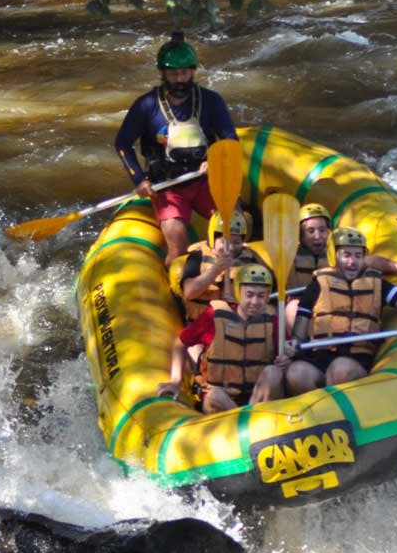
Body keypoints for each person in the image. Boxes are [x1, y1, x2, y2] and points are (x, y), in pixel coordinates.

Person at [115, 30, 238, 266]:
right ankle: (177, 291)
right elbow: (122, 144)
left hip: (205, 181)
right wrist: (139, 180)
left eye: (184, 73)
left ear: (192, 71)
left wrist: (216, 160)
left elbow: (230, 139)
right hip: (167, 187)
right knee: (179, 246)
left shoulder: (211, 101)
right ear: (163, 74)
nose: (180, 79)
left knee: (236, 228)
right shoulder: (146, 105)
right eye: (173, 74)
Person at [285, 227, 397, 394]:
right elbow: (298, 335)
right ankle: (316, 413)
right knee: (296, 373)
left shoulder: (377, 284)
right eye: (346, 255)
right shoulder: (317, 286)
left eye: (358, 256)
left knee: (340, 368)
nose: (352, 262)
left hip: (356, 361)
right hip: (320, 360)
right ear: (335, 256)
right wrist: (292, 346)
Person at [157, 264, 288, 413]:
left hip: (256, 399)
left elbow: (284, 357)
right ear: (238, 292)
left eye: (261, 295)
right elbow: (180, 343)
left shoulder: (273, 320)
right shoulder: (214, 316)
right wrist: (176, 381)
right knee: (215, 395)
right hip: (220, 401)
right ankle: (247, 419)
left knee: (273, 372)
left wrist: (285, 360)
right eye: (249, 295)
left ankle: (250, 418)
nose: (255, 302)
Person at [284, 203, 397, 329]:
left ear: (329, 231)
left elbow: (370, 261)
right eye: (310, 231)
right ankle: (304, 343)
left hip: (332, 306)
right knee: (293, 307)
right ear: (300, 235)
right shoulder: (289, 257)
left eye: (322, 230)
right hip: (303, 309)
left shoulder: (339, 255)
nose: (317, 236)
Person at [171, 209, 267, 322]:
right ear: (212, 239)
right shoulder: (198, 257)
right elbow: (189, 293)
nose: (230, 248)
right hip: (206, 323)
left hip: (239, 323)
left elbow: (266, 294)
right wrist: (216, 269)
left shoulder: (251, 259)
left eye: (236, 242)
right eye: (224, 242)